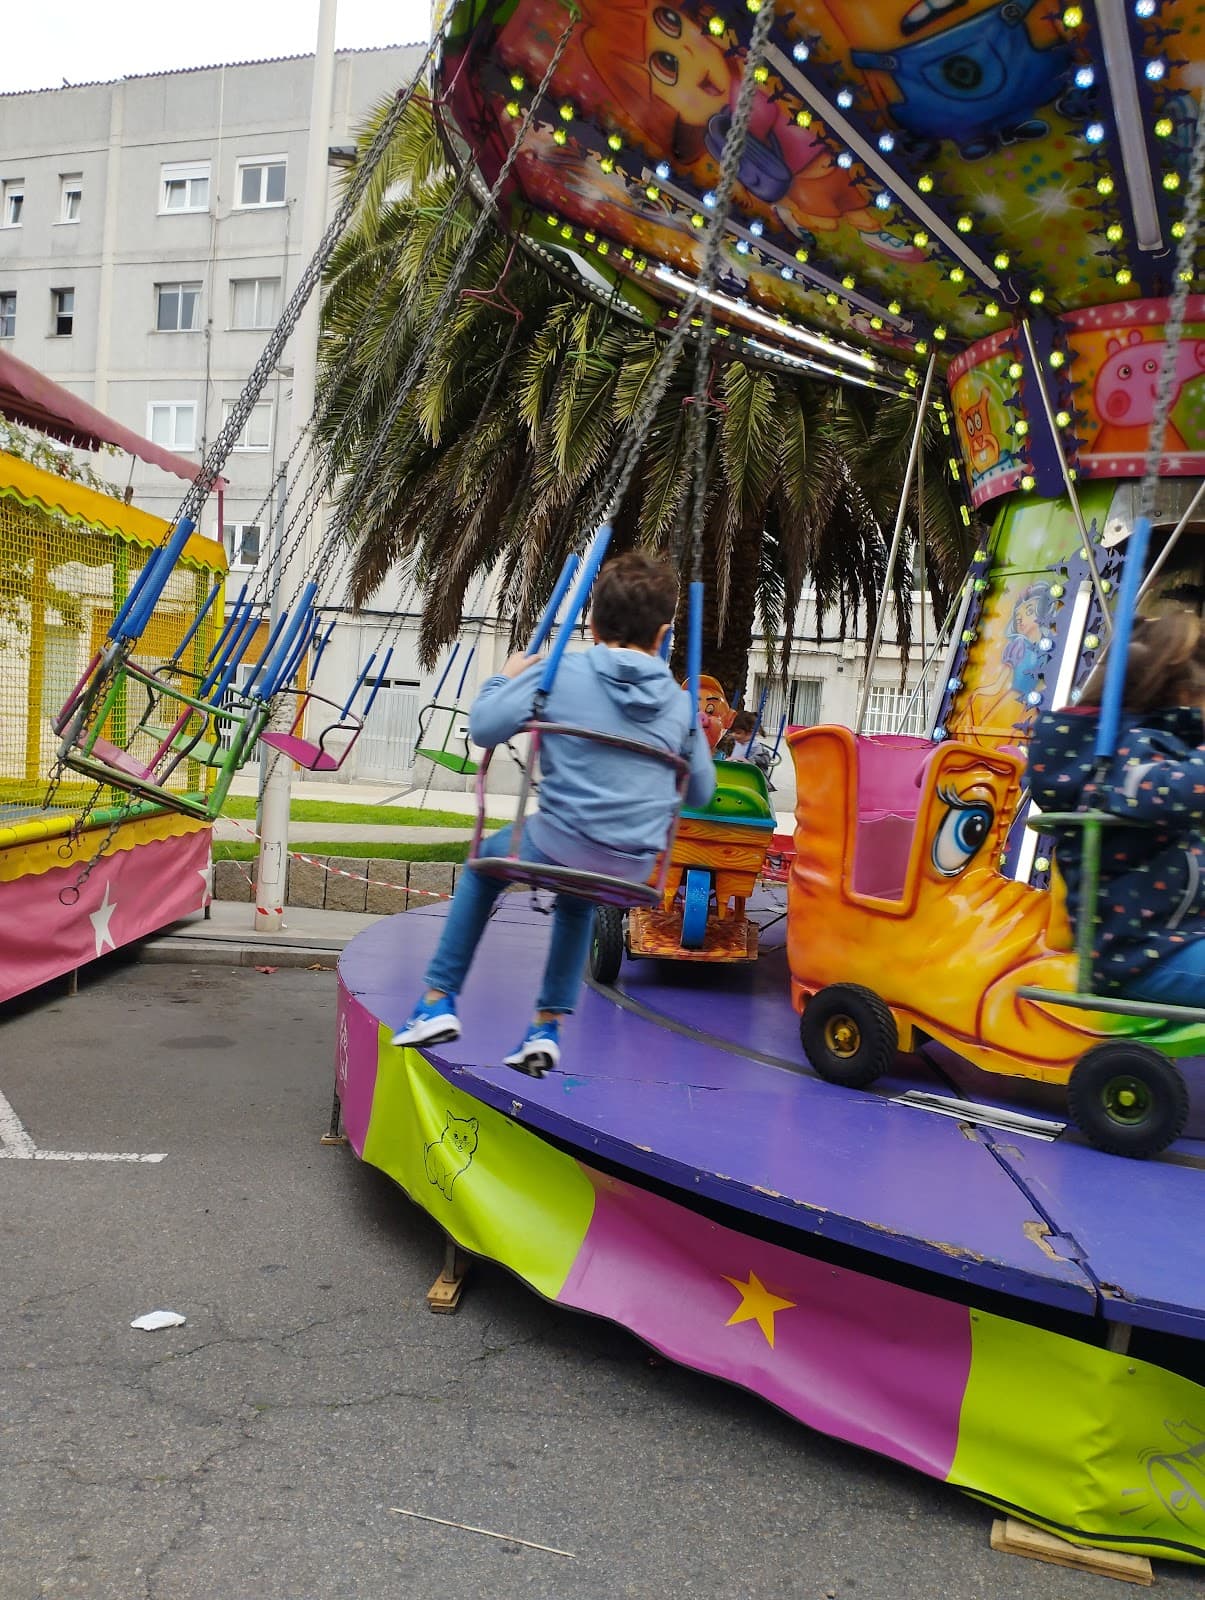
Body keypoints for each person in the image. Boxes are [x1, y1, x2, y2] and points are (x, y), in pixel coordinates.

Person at [393, 552, 717, 1073]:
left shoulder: (560, 669)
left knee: (484, 868)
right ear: (662, 636)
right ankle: (546, 1026)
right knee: (578, 895)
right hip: (635, 865)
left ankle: (436, 1001)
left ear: (590, 623)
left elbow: (484, 728)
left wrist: (505, 679)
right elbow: (701, 792)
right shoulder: (680, 706)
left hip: (560, 841)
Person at [1026, 609, 1205, 1005]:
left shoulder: (1161, 749)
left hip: (1177, 937)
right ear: (1180, 696)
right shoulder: (1127, 757)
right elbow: (1175, 792)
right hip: (1142, 955)